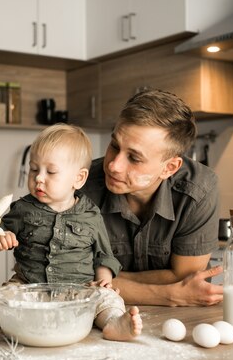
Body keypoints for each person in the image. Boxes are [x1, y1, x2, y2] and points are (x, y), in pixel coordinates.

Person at [0, 124, 142, 342]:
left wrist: (104, 280)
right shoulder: (22, 209)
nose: (39, 178)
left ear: (78, 178)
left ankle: (115, 323)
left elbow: (104, 255)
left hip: (79, 291)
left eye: (50, 172)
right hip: (27, 287)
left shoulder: (90, 214)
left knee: (107, 298)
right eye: (33, 169)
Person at [80, 89, 223, 307]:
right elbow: (69, 277)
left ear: (170, 168)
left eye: (134, 158)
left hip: (181, 321)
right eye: (115, 146)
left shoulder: (199, 189)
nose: (113, 165)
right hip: (98, 314)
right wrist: (170, 294)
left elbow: (187, 277)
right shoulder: (81, 185)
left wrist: (101, 278)